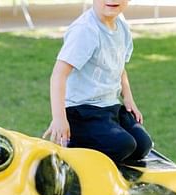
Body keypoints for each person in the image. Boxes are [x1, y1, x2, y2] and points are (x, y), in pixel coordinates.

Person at [44, 0, 153, 164]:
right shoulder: (85, 30)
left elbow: (119, 65)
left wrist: (128, 98)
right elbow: (58, 75)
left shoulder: (121, 25)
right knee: (122, 146)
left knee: (142, 145)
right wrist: (59, 119)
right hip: (81, 110)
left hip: (110, 106)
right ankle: (73, 141)